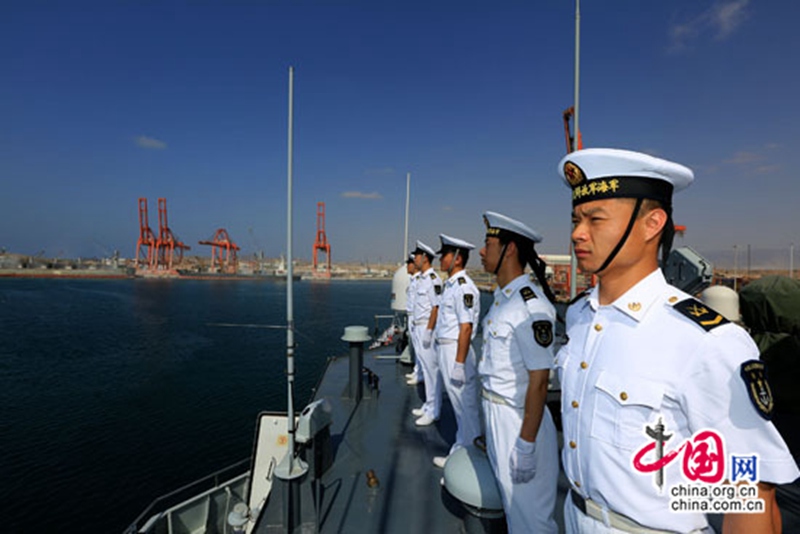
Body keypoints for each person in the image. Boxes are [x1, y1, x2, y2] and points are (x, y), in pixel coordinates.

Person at [556, 148, 799, 533]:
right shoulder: (581, 316)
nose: (577, 234)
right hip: (575, 516)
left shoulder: (705, 340)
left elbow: (750, 493)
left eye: (595, 219)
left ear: (652, 224)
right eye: (575, 219)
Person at [478, 211, 559, 533]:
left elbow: (539, 381)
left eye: (488, 244)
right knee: (514, 510)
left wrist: (526, 443)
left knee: (530, 518)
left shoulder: (530, 306)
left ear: (509, 249)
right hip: (499, 415)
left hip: (519, 421)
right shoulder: (503, 299)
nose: (481, 251)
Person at [432, 234, 482, 469]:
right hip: (448, 349)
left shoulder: (464, 288)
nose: (441, 259)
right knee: (459, 407)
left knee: (465, 408)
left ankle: (469, 461)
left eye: (445, 255)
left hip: (456, 351)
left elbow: (466, 328)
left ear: (457, 259)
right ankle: (462, 453)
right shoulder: (451, 285)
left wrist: (459, 364)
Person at [409, 240, 443, 426]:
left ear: (425, 258)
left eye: (417, 255)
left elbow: (436, 308)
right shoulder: (422, 279)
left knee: (431, 371)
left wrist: (429, 331)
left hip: (426, 328)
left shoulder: (433, 279)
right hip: (419, 325)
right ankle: (428, 405)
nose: (415, 258)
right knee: (424, 365)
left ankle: (434, 410)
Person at [403, 252, 424, 385]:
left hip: (417, 318)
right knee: (416, 347)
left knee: (420, 347)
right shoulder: (413, 280)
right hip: (412, 316)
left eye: (409, 264)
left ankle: (420, 373)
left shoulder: (419, 281)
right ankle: (417, 371)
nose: (407, 266)